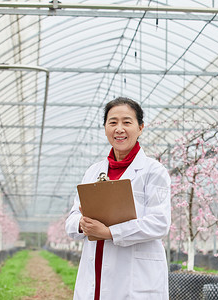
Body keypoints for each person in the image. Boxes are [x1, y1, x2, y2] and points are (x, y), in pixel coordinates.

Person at [65, 97, 171, 300]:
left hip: (134, 278)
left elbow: (160, 223)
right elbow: (72, 217)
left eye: (127, 122)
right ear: (105, 127)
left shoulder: (153, 171)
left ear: (140, 128)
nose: (119, 129)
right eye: (112, 122)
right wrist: (81, 224)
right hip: (95, 273)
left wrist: (110, 232)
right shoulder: (93, 172)